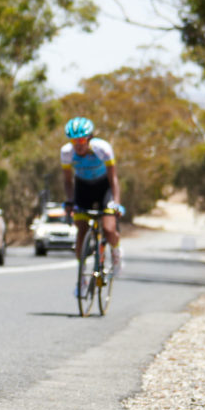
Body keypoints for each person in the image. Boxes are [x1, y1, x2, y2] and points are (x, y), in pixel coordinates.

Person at [60, 116, 122, 288]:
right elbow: (67, 181)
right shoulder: (66, 153)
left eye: (81, 140)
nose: (78, 145)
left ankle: (116, 252)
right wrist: (70, 201)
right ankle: (81, 276)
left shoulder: (103, 149)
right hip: (83, 188)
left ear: (89, 138)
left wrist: (116, 202)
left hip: (104, 188)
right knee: (81, 230)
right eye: (74, 141)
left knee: (109, 229)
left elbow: (113, 178)